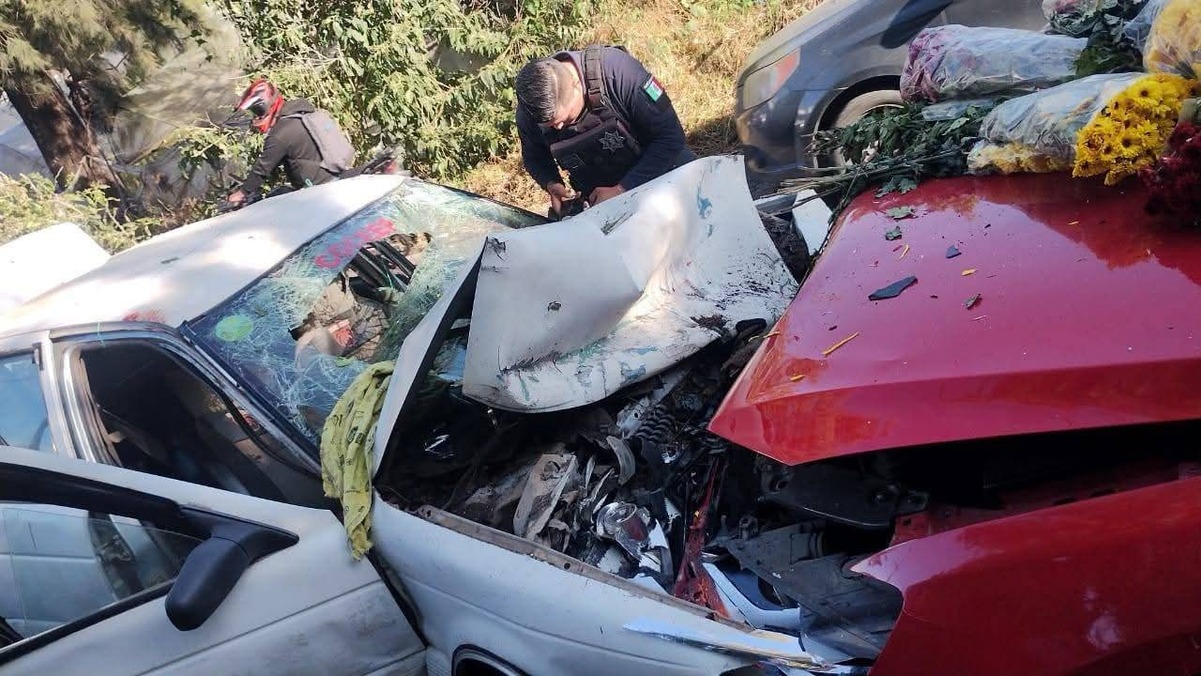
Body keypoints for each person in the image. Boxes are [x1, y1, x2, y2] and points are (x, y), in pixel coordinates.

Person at [515, 45, 695, 217]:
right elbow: (534, 156)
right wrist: (552, 184)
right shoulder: (531, 110)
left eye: (564, 119)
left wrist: (622, 189)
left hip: (665, 174)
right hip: (602, 200)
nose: (559, 128)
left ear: (577, 84)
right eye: (550, 125)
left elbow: (671, 137)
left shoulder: (619, 73)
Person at [226, 78, 356, 206]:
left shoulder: (280, 134)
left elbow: (262, 169)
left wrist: (242, 193)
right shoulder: (300, 115)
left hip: (320, 190)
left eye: (258, 111)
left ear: (269, 104)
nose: (256, 117)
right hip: (332, 177)